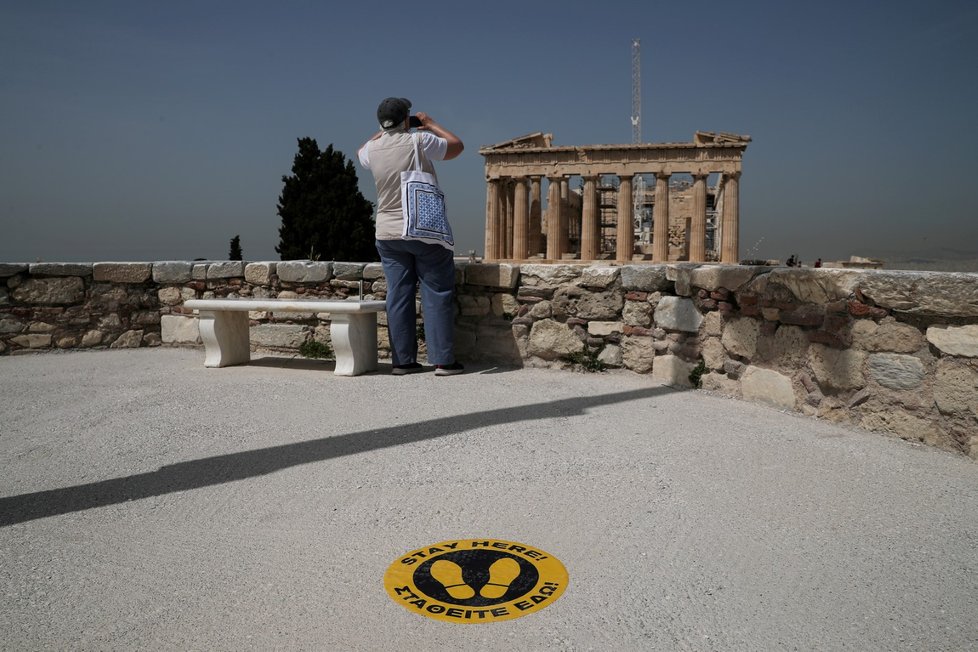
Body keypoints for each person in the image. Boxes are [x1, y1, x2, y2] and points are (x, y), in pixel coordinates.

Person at [358, 97, 465, 376]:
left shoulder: (372, 148)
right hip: (422, 227)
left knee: (399, 294)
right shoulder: (420, 141)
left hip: (387, 232)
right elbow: (457, 147)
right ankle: (443, 361)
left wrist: (385, 130)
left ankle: (402, 361)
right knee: (437, 291)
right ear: (407, 119)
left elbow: (361, 150)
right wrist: (429, 124)